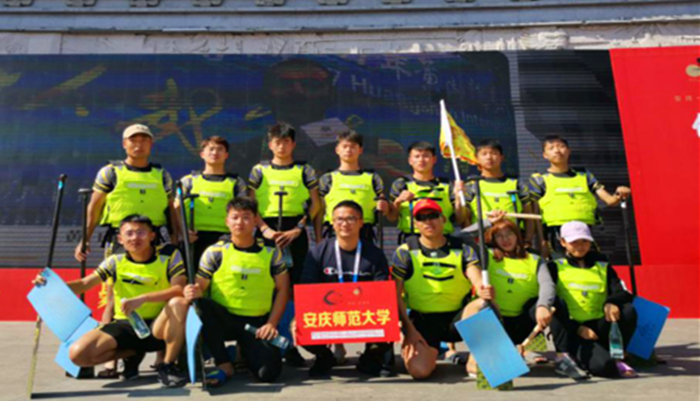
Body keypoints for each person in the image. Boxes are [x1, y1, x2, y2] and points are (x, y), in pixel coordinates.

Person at [33, 215, 189, 387]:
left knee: (179, 303)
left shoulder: (169, 254)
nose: (134, 238)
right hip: (126, 325)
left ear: (152, 236)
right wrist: (51, 285)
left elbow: (179, 289)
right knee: (78, 355)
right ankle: (132, 352)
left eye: (140, 232)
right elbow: (85, 284)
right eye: (129, 233)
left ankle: (167, 366)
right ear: (120, 239)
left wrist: (143, 299)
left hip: (159, 326)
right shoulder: (115, 260)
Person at [184, 197, 290, 386]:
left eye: (246, 217)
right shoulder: (215, 252)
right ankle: (224, 363)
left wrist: (271, 324)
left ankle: (244, 353)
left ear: (255, 221)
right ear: (227, 221)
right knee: (201, 307)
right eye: (235, 217)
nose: (240, 222)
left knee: (268, 374)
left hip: (256, 325)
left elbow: (283, 290)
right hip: (224, 320)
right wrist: (192, 291)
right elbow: (200, 287)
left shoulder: (272, 253)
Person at [391, 199, 493, 380]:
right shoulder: (404, 252)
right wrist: (408, 329)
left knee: (484, 304)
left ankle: (476, 360)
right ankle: (430, 353)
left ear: (443, 219)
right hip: (422, 322)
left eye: (433, 216)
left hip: (457, 319)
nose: (428, 222)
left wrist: (482, 289)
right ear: (415, 223)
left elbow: (476, 278)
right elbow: (395, 295)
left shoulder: (463, 248)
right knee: (419, 372)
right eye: (422, 218)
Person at [248, 123, 321, 367]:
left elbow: (315, 204)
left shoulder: (305, 170)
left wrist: (298, 228)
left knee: (293, 289)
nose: (282, 146)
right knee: (268, 287)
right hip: (267, 232)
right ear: (270, 145)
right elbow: (251, 205)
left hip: (295, 233)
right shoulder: (259, 170)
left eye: (286, 141)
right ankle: (264, 344)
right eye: (277, 142)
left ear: (293, 144)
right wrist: (264, 229)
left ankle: (291, 345)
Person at [299, 200, 396, 377]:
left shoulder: (375, 253)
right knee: (300, 326)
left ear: (361, 222)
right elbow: (307, 288)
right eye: (339, 219)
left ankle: (370, 357)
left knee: (388, 322)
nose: (345, 224)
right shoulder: (318, 252)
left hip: (363, 310)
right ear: (332, 223)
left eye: (351, 219)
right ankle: (324, 356)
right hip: (328, 311)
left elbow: (382, 291)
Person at [483, 219, 589, 379]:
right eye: (499, 236)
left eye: (509, 234)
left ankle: (563, 358)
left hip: (525, 321)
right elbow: (462, 237)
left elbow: (547, 284)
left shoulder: (534, 259)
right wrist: (488, 221)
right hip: (497, 322)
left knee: (555, 303)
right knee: (504, 368)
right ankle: (505, 353)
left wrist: (543, 306)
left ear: (518, 236)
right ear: (493, 239)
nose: (505, 239)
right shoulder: (487, 256)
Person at [74, 123, 179, 262]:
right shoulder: (110, 172)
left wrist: (175, 240)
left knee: (155, 275)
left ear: (151, 144)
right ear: (124, 144)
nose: (139, 145)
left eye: (144, 140)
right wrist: (85, 239)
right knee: (116, 275)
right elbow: (95, 207)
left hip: (154, 239)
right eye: (133, 140)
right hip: (120, 240)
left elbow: (170, 210)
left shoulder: (163, 175)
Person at [548, 221, 638, 378]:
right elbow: (550, 301)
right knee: (605, 367)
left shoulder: (602, 265)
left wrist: (611, 302)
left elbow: (623, 291)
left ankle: (618, 354)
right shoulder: (554, 266)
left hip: (600, 326)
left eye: (584, 241)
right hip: (573, 330)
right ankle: (568, 357)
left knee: (628, 310)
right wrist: (577, 328)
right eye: (574, 242)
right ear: (563, 242)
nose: (580, 246)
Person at [529, 135, 630, 256]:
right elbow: (535, 214)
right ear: (545, 155)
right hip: (556, 234)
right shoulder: (539, 179)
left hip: (586, 232)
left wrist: (619, 194)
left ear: (569, 151)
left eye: (561, 146)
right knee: (561, 267)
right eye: (551, 148)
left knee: (594, 266)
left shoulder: (584, 174)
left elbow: (610, 201)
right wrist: (542, 241)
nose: (557, 150)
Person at [176, 136, 247, 265]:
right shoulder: (188, 181)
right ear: (202, 154)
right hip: (193, 239)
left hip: (225, 238)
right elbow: (176, 208)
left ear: (226, 155)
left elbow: (244, 211)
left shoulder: (237, 183)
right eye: (211, 149)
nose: (215, 153)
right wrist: (183, 232)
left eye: (220, 149)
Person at [315, 131, 390, 243]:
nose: (348, 150)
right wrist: (318, 237)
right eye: (344, 146)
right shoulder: (327, 179)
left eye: (353, 147)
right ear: (337, 150)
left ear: (360, 150)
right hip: (334, 233)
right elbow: (319, 210)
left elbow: (385, 209)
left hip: (365, 233)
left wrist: (385, 207)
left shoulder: (373, 178)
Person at [387, 140, 467, 244]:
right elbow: (391, 217)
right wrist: (398, 201)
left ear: (434, 159)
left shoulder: (447, 185)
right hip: (411, 240)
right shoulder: (401, 184)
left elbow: (460, 219)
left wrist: (458, 198)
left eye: (426, 156)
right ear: (410, 160)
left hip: (443, 240)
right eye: (417, 156)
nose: (421, 160)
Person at [465, 139, 533, 242]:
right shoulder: (471, 185)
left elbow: (529, 215)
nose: (489, 157)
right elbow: (465, 218)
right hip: (483, 241)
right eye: (484, 154)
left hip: (513, 240)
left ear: (502, 157)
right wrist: (473, 242)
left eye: (494, 153)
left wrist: (527, 240)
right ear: (477, 158)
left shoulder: (516, 183)